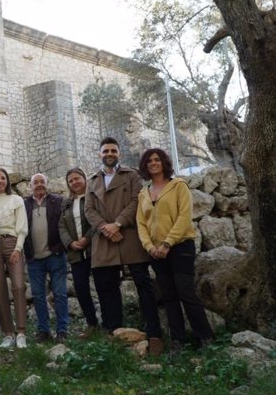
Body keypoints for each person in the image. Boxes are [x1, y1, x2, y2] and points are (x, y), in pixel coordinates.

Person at [84, 137, 163, 356]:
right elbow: (89, 209)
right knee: (106, 288)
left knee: (143, 285)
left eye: (113, 150)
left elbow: (137, 201)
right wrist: (105, 228)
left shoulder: (132, 176)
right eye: (105, 151)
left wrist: (117, 224)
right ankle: (114, 331)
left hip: (128, 236)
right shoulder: (92, 181)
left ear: (119, 153)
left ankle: (153, 331)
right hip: (104, 240)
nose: (109, 154)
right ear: (100, 154)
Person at [136, 148, 214, 353]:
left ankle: (205, 338)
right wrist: (150, 247)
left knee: (186, 292)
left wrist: (167, 243)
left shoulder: (178, 186)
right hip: (155, 252)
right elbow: (141, 224)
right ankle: (178, 341)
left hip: (180, 247)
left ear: (164, 163)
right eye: (149, 161)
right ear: (145, 166)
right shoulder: (144, 193)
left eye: (157, 159)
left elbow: (184, 217)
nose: (153, 163)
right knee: (169, 296)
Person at [24, 173, 68, 343]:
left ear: (47, 184)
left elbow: (65, 224)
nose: (39, 184)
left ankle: (62, 330)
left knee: (60, 294)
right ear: (30, 186)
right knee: (38, 295)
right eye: (36, 182)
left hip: (55, 254)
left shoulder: (58, 201)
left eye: (42, 182)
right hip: (34, 258)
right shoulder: (25, 204)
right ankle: (43, 330)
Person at [0, 168, 29, 349]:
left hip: (13, 243)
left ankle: (21, 332)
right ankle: (8, 333)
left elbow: (22, 226)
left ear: (7, 181)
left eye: (3, 178)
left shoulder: (17, 200)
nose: (0, 180)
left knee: (19, 286)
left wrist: (18, 248)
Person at [58, 167, 99, 338]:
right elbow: (62, 226)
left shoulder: (94, 197)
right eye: (71, 180)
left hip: (95, 249)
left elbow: (98, 219)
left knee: (103, 286)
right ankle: (92, 324)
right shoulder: (67, 204)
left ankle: (110, 323)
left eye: (77, 178)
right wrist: (70, 242)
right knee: (81, 288)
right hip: (76, 253)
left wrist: (86, 239)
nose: (75, 182)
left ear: (84, 179)